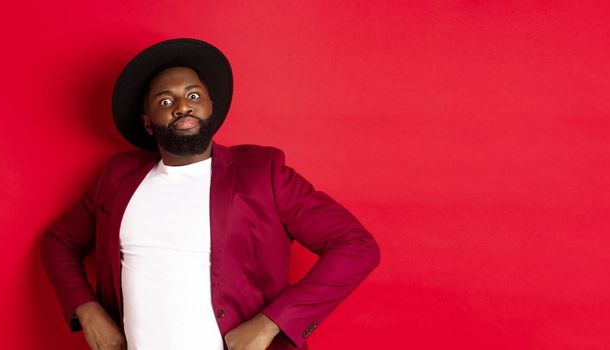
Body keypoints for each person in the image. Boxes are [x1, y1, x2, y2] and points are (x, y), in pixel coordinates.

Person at [41, 38, 380, 350]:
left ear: (209, 106)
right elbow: (59, 242)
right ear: (148, 122)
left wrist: (270, 324)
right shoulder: (118, 177)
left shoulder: (263, 173)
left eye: (192, 95)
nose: (181, 107)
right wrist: (86, 310)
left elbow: (357, 246)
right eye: (165, 100)